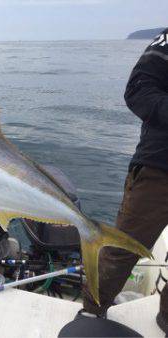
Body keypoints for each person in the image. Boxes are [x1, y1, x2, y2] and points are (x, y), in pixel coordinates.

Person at [82, 28, 168, 334]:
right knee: (124, 247)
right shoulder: (167, 40)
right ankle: (92, 311)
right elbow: (138, 89)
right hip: (159, 168)